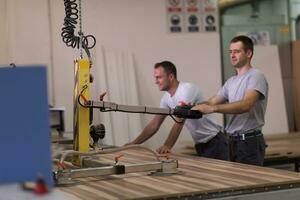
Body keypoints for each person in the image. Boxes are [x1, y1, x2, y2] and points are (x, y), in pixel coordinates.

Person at [125, 61, 229, 160]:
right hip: (200, 144)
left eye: (159, 77)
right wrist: (134, 143)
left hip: (216, 141)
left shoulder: (186, 89)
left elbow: (180, 120)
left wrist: (167, 145)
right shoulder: (166, 98)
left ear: (171, 77)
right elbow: (154, 124)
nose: (156, 81)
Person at [192, 35, 268, 166]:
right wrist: (191, 107)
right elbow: (212, 102)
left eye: (237, 51)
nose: (232, 55)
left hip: (249, 142)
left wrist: (212, 109)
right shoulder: (231, 81)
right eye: (230, 52)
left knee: (248, 184)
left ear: (249, 53)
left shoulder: (256, 76)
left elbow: (246, 105)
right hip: (232, 142)